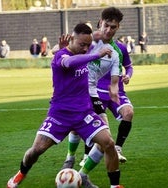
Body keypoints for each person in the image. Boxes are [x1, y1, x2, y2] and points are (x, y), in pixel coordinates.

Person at [7, 23, 123, 188]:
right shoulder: (61, 57)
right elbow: (69, 62)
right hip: (60, 114)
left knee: (108, 143)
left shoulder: (84, 51)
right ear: (72, 39)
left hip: (84, 113)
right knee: (36, 150)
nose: (85, 48)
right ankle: (20, 174)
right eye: (81, 44)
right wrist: (95, 55)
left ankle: (115, 186)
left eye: (87, 45)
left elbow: (95, 41)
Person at [61, 7, 126, 188]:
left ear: (117, 28)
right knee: (75, 129)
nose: (108, 30)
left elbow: (114, 81)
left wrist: (114, 91)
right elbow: (60, 52)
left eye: (113, 27)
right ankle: (70, 158)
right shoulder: (88, 40)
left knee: (106, 140)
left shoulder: (115, 53)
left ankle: (82, 175)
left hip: (92, 92)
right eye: (106, 25)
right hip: (75, 91)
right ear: (100, 22)